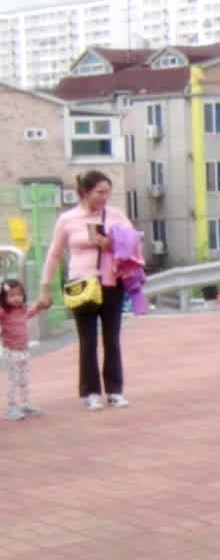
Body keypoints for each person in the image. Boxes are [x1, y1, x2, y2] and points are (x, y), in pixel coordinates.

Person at [36, 170, 135, 410]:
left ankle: (115, 390)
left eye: (107, 192)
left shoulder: (116, 215)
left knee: (111, 337)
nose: (104, 197)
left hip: (111, 281)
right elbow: (55, 254)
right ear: (84, 192)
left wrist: (112, 243)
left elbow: (134, 242)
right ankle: (90, 392)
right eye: (100, 192)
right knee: (87, 339)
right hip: (82, 282)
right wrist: (45, 287)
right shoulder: (68, 219)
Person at [3, 279, 45, 420]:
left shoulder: (22, 310)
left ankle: (25, 404)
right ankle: (11, 407)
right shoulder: (4, 312)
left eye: (19, 294)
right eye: (11, 295)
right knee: (13, 380)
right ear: (4, 298)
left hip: (24, 350)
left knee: (24, 379)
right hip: (11, 350)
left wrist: (40, 306)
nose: (16, 298)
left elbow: (31, 312)